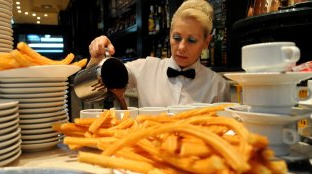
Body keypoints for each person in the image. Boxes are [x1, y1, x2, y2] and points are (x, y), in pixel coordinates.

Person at [88, 0, 230, 107]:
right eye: (177, 37)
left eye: (192, 40)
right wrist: (98, 56)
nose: (181, 47)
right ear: (169, 34)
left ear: (206, 41)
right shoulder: (145, 67)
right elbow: (92, 87)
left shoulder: (218, 85)